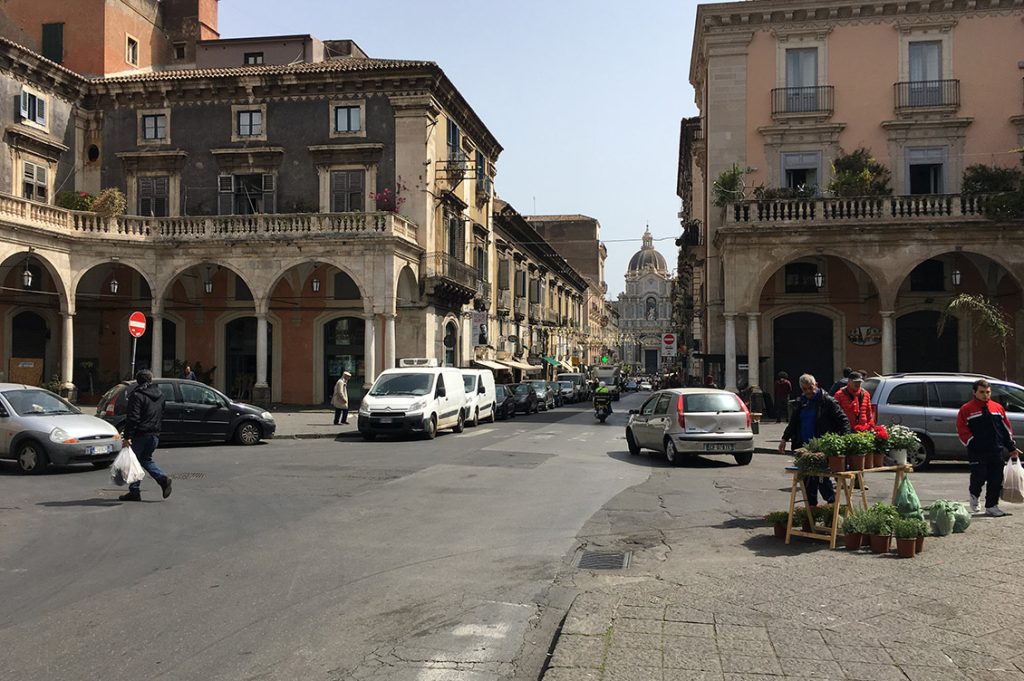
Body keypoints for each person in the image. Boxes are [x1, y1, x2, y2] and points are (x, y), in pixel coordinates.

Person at [779, 373, 851, 506]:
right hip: (804, 446)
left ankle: (832, 507)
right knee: (808, 481)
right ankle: (811, 511)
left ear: (816, 385)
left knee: (822, 479)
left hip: (821, 447)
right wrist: (784, 438)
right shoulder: (802, 401)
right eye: (804, 389)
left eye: (810, 388)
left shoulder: (827, 401)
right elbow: (794, 422)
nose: (808, 392)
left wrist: (845, 440)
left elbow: (843, 420)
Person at [956, 379, 1022, 516]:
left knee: (996, 479)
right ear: (974, 392)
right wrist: (972, 442)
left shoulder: (997, 408)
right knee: (979, 476)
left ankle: (992, 506)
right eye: (982, 392)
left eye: (988, 392)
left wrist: (1011, 448)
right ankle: (974, 494)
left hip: (996, 450)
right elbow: (962, 430)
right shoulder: (966, 409)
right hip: (977, 451)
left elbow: (1005, 429)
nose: (985, 395)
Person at [120, 369, 172, 502]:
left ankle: (135, 492)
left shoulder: (137, 395)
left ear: (137, 381)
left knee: (133, 462)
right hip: (154, 433)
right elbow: (162, 413)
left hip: (140, 434)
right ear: (150, 380)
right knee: (145, 459)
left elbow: (133, 418)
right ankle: (162, 479)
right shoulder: (160, 395)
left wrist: (127, 437)